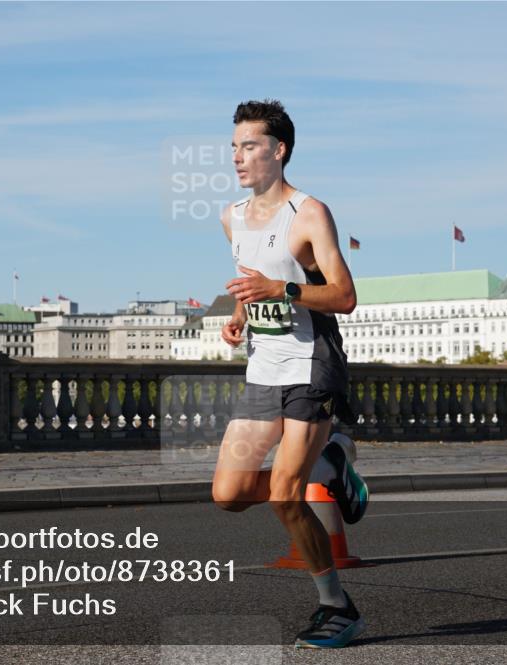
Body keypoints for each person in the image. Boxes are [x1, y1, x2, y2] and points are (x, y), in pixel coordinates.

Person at [211, 99, 368, 648]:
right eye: (233, 146)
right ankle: (331, 465)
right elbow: (253, 280)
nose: (237, 156)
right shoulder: (231, 216)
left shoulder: (309, 213)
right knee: (227, 493)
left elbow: (345, 296)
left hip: (312, 365)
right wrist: (238, 316)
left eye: (249, 145)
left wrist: (284, 290)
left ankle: (337, 606)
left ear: (278, 151)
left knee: (284, 495)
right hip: (263, 368)